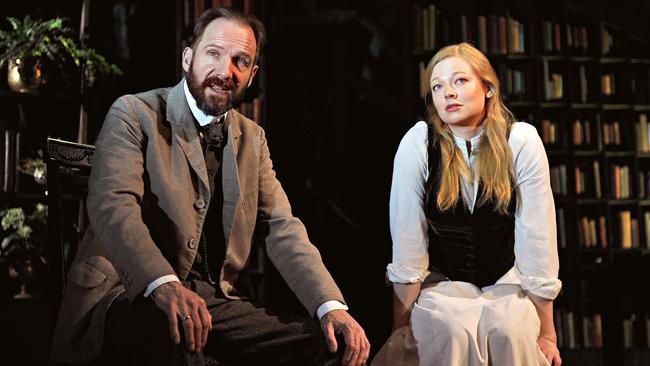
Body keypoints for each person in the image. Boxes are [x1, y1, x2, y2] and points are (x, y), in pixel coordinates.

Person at [51, 7, 370, 366]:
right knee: (180, 338)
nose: (225, 71)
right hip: (128, 295)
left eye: (240, 61)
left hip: (214, 304)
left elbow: (283, 228)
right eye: (214, 54)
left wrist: (331, 306)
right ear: (188, 58)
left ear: (252, 74)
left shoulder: (253, 138)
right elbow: (113, 206)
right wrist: (163, 283)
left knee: (331, 346)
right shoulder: (133, 113)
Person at [374, 43, 562, 366]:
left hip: (506, 283)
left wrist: (547, 332)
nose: (448, 92)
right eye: (437, 85)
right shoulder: (418, 145)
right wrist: (399, 327)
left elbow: (538, 241)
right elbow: (408, 247)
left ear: (487, 88)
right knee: (448, 331)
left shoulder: (521, 142)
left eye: (460, 81)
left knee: (511, 333)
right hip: (443, 285)